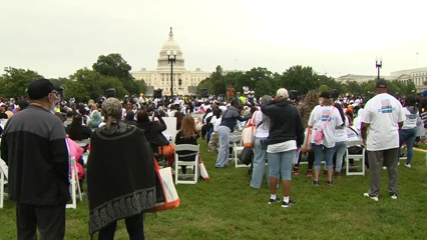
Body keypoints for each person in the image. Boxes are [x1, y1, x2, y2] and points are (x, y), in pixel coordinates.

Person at [1, 78, 69, 239]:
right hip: (48, 191)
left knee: (25, 233)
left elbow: (4, 152)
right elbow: (61, 159)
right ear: (50, 96)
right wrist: (63, 185)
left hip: (21, 188)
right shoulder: (53, 122)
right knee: (51, 233)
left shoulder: (13, 121)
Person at [87, 98, 156, 239]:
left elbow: (94, 165)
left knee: (106, 231)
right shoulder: (134, 132)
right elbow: (146, 158)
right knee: (136, 229)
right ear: (121, 112)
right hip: (132, 186)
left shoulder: (97, 135)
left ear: (103, 113)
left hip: (107, 190)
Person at [361, 79, 405, 201]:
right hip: (392, 138)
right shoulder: (395, 102)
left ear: (376, 89)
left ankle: (374, 193)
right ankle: (393, 192)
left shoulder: (371, 103)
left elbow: (364, 124)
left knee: (375, 168)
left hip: (376, 139)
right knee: (392, 167)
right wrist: (394, 130)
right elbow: (401, 122)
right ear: (387, 89)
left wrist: (363, 136)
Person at [262, 88, 304, 207]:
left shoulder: (273, 108)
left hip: (274, 142)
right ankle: (286, 199)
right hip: (289, 142)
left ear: (278, 97)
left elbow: (263, 107)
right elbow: (300, 128)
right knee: (286, 173)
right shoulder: (293, 109)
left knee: (273, 172)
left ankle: (273, 197)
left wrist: (273, 101)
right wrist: (299, 142)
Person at [308, 91, 343, 186]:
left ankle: (316, 179)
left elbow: (310, 123)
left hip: (318, 136)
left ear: (322, 98)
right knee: (329, 158)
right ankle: (330, 179)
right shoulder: (334, 110)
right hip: (330, 136)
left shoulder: (317, 109)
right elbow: (339, 124)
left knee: (318, 157)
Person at [215, 101, 247, 168]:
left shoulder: (227, 110)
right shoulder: (233, 110)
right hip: (225, 128)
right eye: (238, 104)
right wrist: (249, 117)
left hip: (223, 128)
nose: (238, 106)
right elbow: (240, 119)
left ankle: (224, 163)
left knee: (226, 147)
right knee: (223, 147)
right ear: (234, 104)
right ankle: (219, 164)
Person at [294, 90, 318, 176]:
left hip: (304, 129)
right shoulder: (318, 107)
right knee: (312, 151)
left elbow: (297, 116)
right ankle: (310, 169)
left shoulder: (303, 106)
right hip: (314, 130)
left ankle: (296, 167)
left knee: (300, 149)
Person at [250, 95, 272, 189]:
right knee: (271, 162)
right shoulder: (273, 113)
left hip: (259, 136)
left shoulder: (256, 113)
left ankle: (255, 183)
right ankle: (272, 183)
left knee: (258, 160)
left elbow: (253, 123)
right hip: (269, 137)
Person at [399, 95, 420, 168]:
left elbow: (399, 119)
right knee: (410, 147)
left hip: (404, 129)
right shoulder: (416, 110)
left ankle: (397, 161)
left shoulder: (403, 109)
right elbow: (418, 121)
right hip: (413, 129)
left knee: (398, 145)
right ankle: (408, 163)